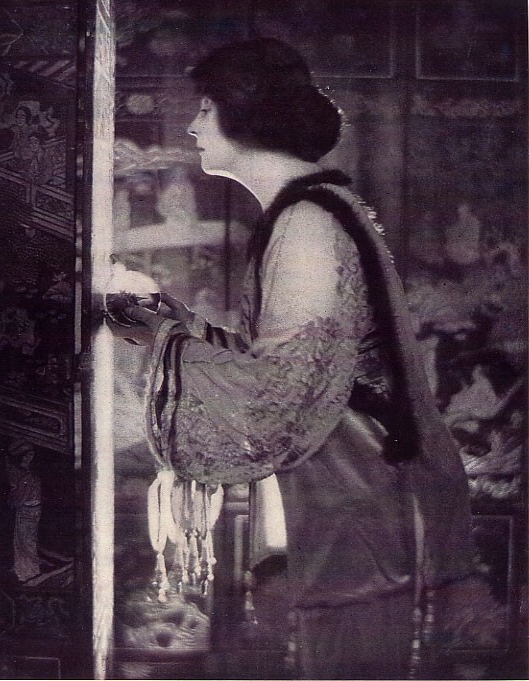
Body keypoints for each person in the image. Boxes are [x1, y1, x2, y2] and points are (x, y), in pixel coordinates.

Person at [108, 38, 477, 680]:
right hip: (354, 497)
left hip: (365, 501)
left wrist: (164, 335)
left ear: (245, 114)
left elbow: (281, 392)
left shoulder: (307, 227)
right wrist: (173, 325)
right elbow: (295, 368)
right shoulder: (306, 213)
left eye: (205, 108)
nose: (193, 126)